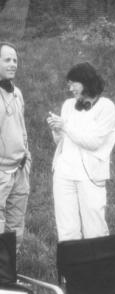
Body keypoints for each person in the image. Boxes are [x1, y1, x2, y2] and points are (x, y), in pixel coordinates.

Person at [47, 62, 115, 241]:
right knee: (67, 229)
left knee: (95, 228)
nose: (70, 88)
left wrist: (66, 126)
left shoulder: (106, 107)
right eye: (68, 84)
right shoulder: (68, 105)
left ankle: (99, 268)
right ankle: (71, 269)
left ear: (86, 81)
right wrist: (56, 129)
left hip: (91, 175)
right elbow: (60, 141)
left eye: (73, 84)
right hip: (64, 173)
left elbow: (94, 142)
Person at [0, 42, 31, 249]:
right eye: (7, 60)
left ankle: (11, 274)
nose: (13, 64)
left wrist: (26, 156)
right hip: (1, 172)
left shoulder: (17, 92)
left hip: (20, 169)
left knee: (16, 226)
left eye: (15, 60)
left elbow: (21, 126)